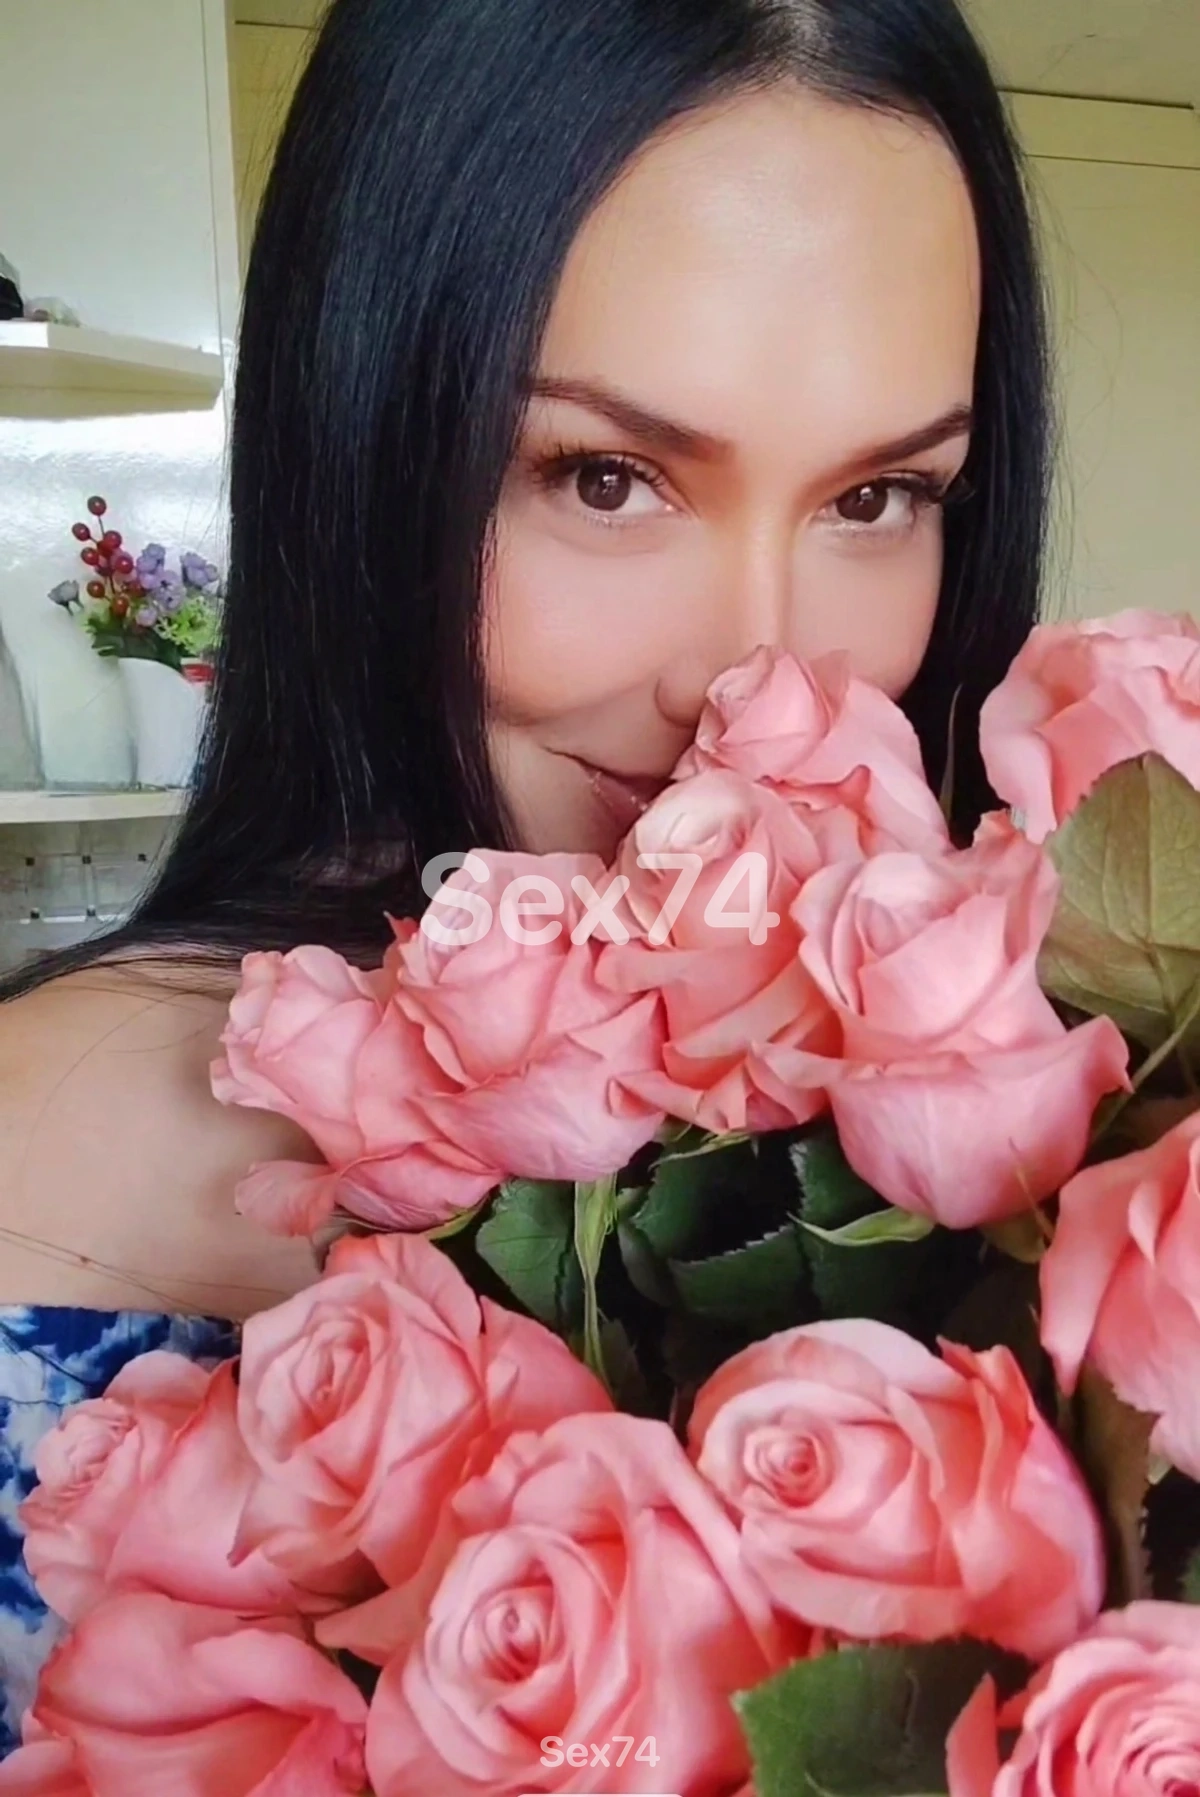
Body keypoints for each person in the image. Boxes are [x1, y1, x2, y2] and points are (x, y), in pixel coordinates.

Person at [0, 0, 1049, 1748]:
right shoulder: (35, 1164)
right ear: (361, 449)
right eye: (606, 478)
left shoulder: (1043, 1126)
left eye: (878, 499)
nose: (757, 678)